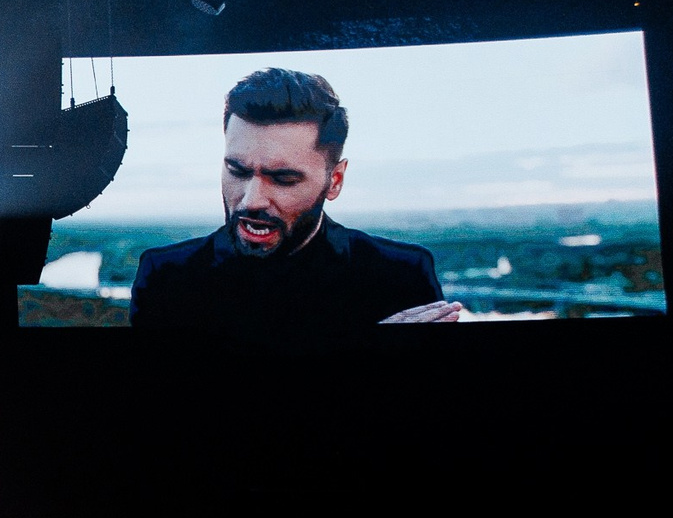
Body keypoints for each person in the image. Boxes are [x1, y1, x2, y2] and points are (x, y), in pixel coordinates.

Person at [128, 67, 459, 339]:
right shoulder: (167, 277)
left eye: (283, 178)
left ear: (335, 181)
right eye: (237, 170)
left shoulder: (399, 274)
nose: (251, 200)